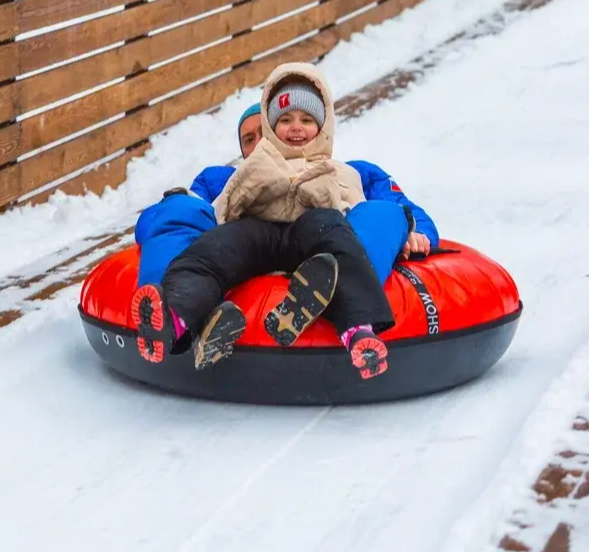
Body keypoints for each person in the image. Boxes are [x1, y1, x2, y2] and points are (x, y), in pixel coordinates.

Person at [131, 63, 439, 379]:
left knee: (356, 226)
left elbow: (400, 209)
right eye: (248, 139)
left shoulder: (346, 171)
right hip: (252, 240)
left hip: (317, 243)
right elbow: (193, 217)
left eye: (306, 121)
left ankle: (355, 323)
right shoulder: (224, 178)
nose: (294, 129)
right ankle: (172, 313)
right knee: (206, 245)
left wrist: (415, 232)